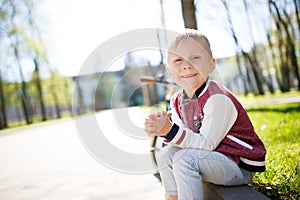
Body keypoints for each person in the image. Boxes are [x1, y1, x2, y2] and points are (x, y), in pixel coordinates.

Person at [144, 29, 266, 200]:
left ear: (211, 64)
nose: (186, 65)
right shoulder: (177, 100)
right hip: (210, 160)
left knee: (184, 159)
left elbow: (206, 144)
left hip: (237, 165)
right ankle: (173, 197)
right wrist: (162, 128)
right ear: (170, 71)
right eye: (178, 60)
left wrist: (170, 131)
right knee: (165, 154)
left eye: (195, 57)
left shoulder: (217, 98)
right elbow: (183, 139)